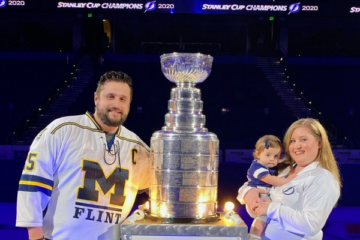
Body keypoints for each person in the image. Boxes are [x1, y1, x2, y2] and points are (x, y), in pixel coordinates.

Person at [16, 71, 151, 240]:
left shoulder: (136, 146)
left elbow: (164, 187)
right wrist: (35, 236)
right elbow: (33, 184)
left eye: (123, 99)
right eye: (110, 97)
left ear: (129, 104)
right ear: (96, 98)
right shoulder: (62, 130)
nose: (116, 104)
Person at [237, 118, 341, 240]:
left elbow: (311, 225)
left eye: (303, 139)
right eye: (292, 141)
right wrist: (247, 193)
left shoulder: (322, 178)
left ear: (319, 143)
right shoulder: (283, 169)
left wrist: (271, 208)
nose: (297, 146)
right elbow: (251, 183)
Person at [246, 135, 296, 240]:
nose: (272, 159)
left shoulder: (267, 166)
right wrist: (286, 180)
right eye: (268, 155)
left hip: (267, 197)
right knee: (262, 217)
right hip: (260, 196)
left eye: (276, 156)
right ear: (258, 154)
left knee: (264, 218)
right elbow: (269, 180)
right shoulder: (257, 167)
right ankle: (254, 236)